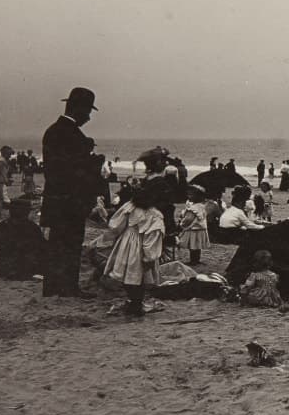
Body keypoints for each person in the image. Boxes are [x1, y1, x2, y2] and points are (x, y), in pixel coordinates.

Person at [39, 87, 105, 299]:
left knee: (57, 243)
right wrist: (94, 162)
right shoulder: (73, 135)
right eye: (87, 112)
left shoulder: (53, 130)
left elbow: (55, 169)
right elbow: (74, 171)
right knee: (70, 244)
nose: (88, 117)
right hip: (70, 200)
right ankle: (68, 288)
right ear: (77, 109)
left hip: (56, 199)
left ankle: (53, 288)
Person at [103, 180, 166, 317]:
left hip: (127, 243)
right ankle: (136, 302)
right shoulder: (155, 216)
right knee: (138, 277)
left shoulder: (129, 207)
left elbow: (115, 225)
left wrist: (116, 236)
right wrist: (149, 256)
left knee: (129, 275)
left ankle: (134, 301)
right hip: (139, 246)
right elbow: (152, 238)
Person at [0, 197, 46, 279]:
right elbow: (43, 248)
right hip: (28, 266)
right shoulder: (32, 227)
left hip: (5, 266)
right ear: (26, 212)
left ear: (10, 211)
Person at [178, 185, 210, 265]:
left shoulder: (193, 208)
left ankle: (193, 260)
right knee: (197, 246)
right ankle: (197, 259)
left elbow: (188, 219)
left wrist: (182, 224)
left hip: (193, 229)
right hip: (201, 228)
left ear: (197, 196)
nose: (188, 196)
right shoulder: (202, 206)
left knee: (192, 246)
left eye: (191, 194)